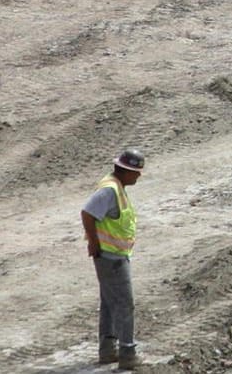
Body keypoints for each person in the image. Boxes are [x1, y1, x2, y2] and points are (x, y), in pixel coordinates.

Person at [82, 149, 145, 370]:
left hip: (110, 256)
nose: (139, 176)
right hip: (112, 258)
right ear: (126, 171)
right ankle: (128, 353)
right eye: (136, 172)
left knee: (109, 303)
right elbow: (87, 212)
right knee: (124, 305)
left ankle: (107, 350)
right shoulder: (110, 191)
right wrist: (94, 243)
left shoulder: (115, 186)